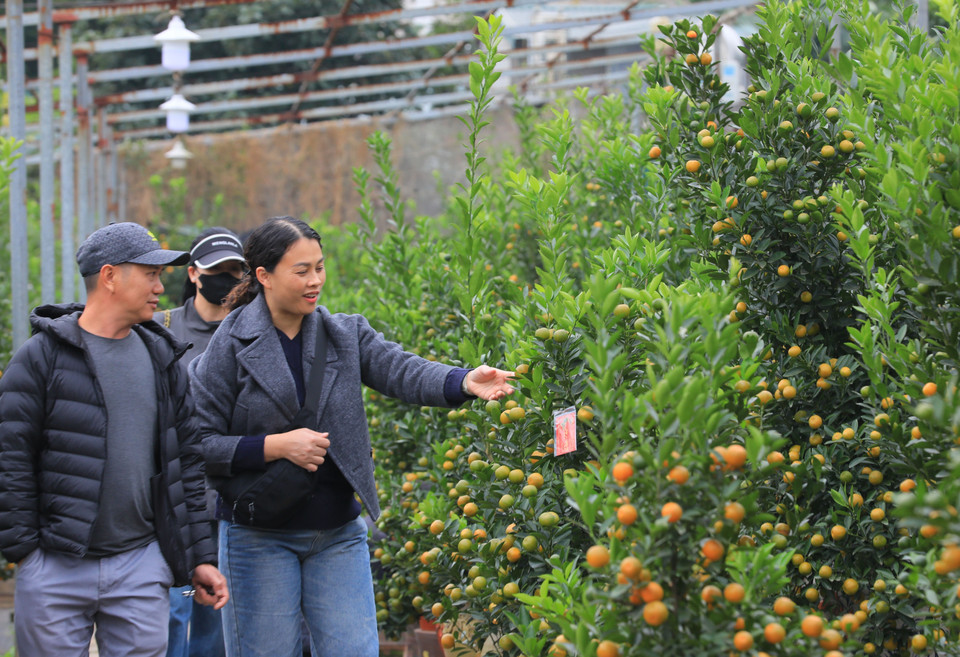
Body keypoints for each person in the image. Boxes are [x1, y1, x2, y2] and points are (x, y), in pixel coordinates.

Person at [189, 216, 514, 657]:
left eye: (319, 267)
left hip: (337, 533)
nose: (315, 280)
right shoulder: (229, 344)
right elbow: (198, 443)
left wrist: (463, 381)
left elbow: (402, 370)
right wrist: (276, 447)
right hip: (258, 535)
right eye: (301, 270)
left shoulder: (342, 333)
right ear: (263, 276)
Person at [0, 222, 229, 657]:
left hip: (140, 565)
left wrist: (199, 556)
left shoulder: (164, 359)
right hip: (55, 564)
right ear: (109, 277)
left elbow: (187, 464)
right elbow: (10, 457)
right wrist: (26, 553)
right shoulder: (41, 358)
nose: (161, 288)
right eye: (150, 274)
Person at [156, 228, 246, 657]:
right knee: (172, 609)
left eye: (235, 271)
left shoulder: (250, 332)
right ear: (193, 273)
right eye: (217, 271)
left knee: (215, 614)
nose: (226, 280)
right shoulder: (161, 328)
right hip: (174, 497)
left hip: (227, 492)